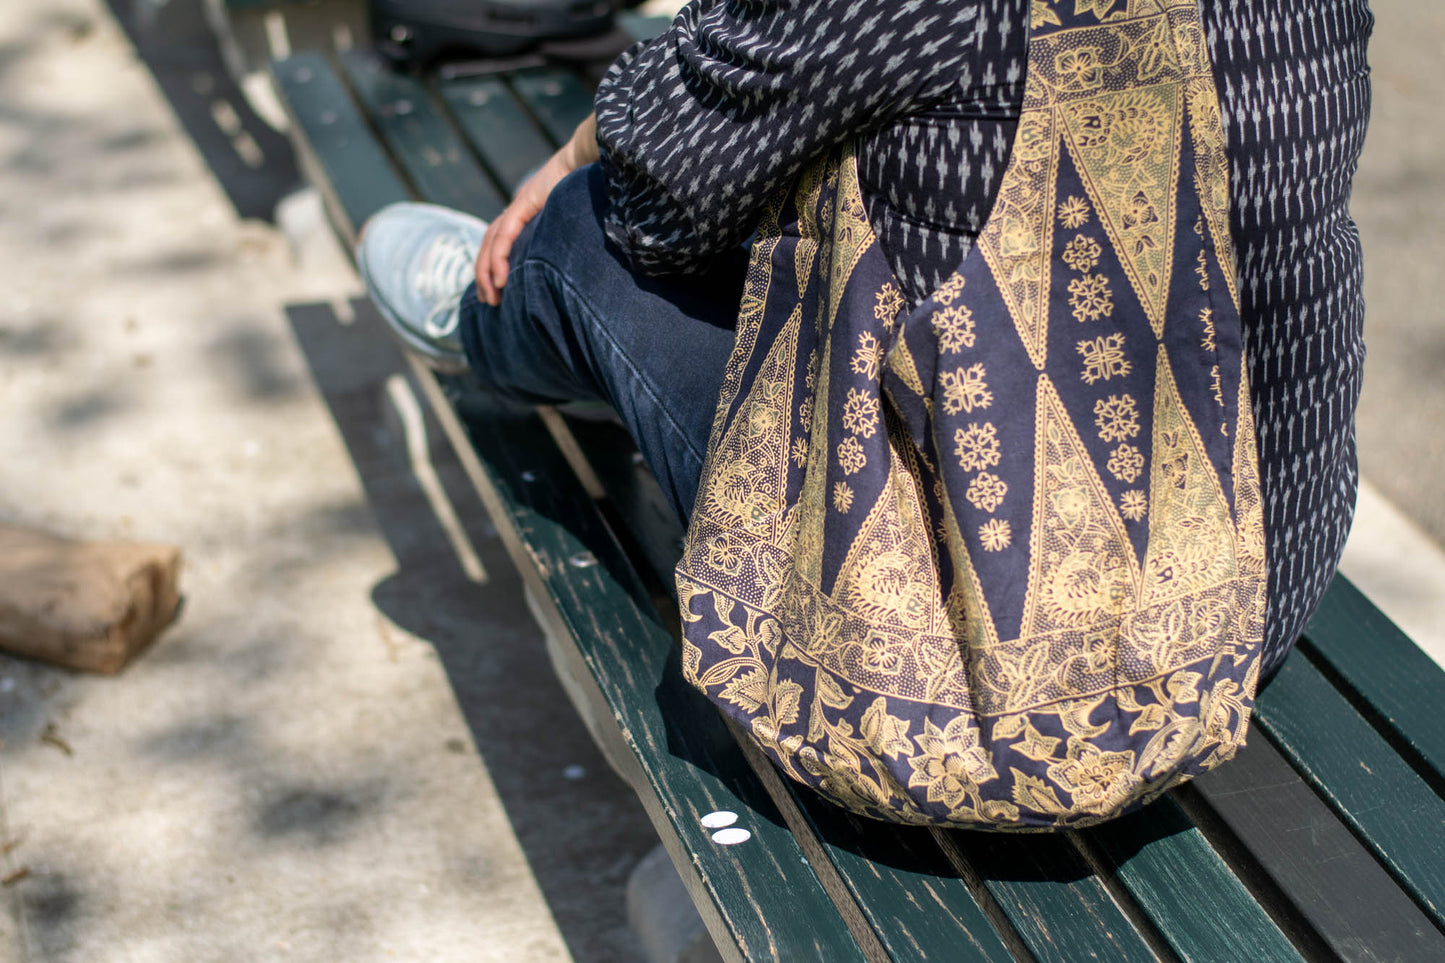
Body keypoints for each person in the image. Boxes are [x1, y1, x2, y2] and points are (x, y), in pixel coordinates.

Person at [356, 0, 1374, 680]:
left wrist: (567, 163)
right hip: (1254, 588)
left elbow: (663, 186)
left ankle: (487, 313)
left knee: (584, 232)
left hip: (971, 664)